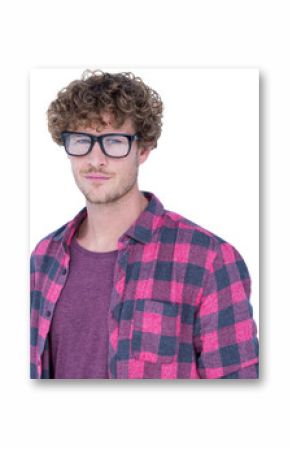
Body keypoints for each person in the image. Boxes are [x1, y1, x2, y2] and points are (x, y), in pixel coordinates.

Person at [30, 69, 259, 379]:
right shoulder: (44, 258)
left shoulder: (208, 261)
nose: (95, 159)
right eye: (82, 140)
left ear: (143, 148)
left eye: (113, 141)